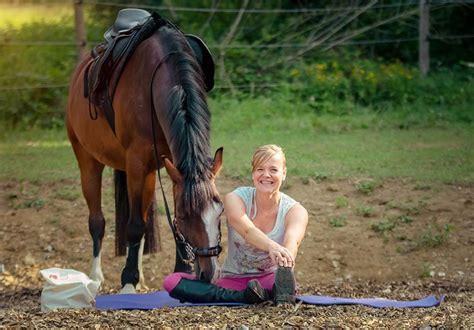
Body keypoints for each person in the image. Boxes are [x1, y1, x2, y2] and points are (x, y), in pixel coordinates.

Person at [163, 144, 308, 304]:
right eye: (260, 169)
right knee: (171, 282)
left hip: (269, 278)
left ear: (284, 173)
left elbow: (292, 241)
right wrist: (272, 246)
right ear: (253, 173)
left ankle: (268, 292)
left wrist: (286, 260)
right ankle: (246, 296)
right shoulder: (236, 198)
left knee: (282, 284)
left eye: (273, 170)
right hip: (233, 279)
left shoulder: (295, 211)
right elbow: (247, 230)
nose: (266, 175)